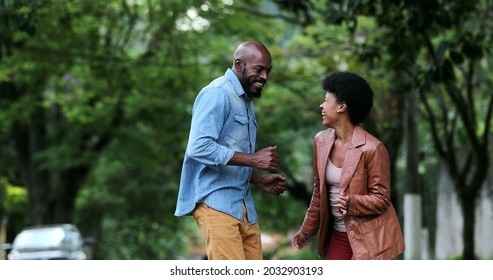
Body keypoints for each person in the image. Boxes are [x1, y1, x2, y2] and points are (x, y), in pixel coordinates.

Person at [175, 41, 287, 260]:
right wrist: (254, 159)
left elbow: (232, 153)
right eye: (259, 70)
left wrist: (259, 180)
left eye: (268, 71)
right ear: (239, 64)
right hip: (217, 206)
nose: (265, 77)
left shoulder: (245, 98)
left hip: (245, 207)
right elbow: (198, 147)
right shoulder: (217, 93)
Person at [292, 71, 405, 260]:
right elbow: (319, 192)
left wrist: (353, 202)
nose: (321, 105)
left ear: (342, 107)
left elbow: (382, 199)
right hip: (339, 235)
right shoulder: (320, 141)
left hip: (370, 239)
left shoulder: (373, 148)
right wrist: (306, 230)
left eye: (326, 100)